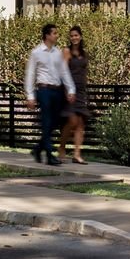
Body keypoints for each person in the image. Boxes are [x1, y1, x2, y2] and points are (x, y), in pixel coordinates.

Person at [23, 23, 75, 165]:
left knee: (54, 121)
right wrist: (30, 96)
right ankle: (49, 154)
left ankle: (38, 149)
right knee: (46, 120)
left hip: (57, 90)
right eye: (54, 33)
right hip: (44, 90)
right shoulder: (36, 52)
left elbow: (64, 71)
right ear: (47, 35)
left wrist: (71, 89)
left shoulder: (57, 53)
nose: (57, 35)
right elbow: (30, 74)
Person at [60, 26, 90, 165]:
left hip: (81, 91)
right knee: (72, 121)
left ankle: (77, 154)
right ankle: (62, 147)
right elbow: (63, 71)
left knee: (80, 123)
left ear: (81, 36)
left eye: (76, 35)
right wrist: (67, 90)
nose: (74, 38)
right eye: (71, 36)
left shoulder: (84, 53)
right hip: (70, 89)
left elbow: (84, 72)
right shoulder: (66, 51)